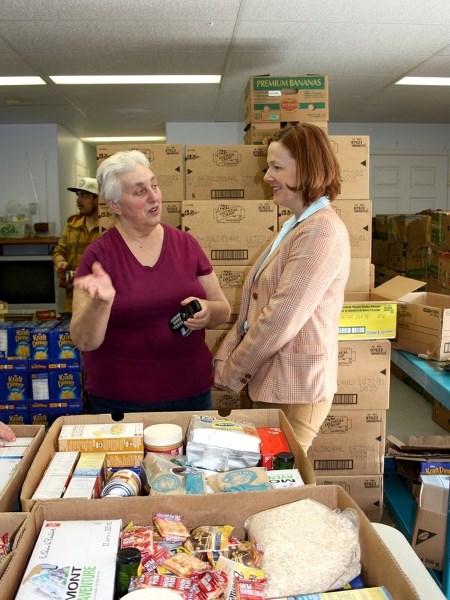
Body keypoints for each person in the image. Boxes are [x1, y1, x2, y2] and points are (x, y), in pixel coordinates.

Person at [213, 123, 351, 453]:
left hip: (297, 390)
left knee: (284, 484)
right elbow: (255, 303)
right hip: (277, 382)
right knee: (270, 478)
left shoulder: (321, 232)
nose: (267, 177)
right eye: (268, 167)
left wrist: (232, 371)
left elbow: (280, 318)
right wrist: (225, 350)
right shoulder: (297, 225)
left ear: (306, 169)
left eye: (276, 167)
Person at [69, 150, 230, 416]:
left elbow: (222, 310)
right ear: (115, 205)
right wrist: (101, 302)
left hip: (191, 393)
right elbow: (84, 341)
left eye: (154, 185)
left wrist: (207, 310)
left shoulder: (186, 244)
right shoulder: (99, 256)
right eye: (139, 191)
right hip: (119, 402)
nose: (154, 196)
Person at [52, 177, 100, 313]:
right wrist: (60, 262)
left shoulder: (107, 228)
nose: (79, 201)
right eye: (78, 195)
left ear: (97, 199)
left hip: (99, 298)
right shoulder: (71, 225)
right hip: (73, 298)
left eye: (84, 196)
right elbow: (59, 250)